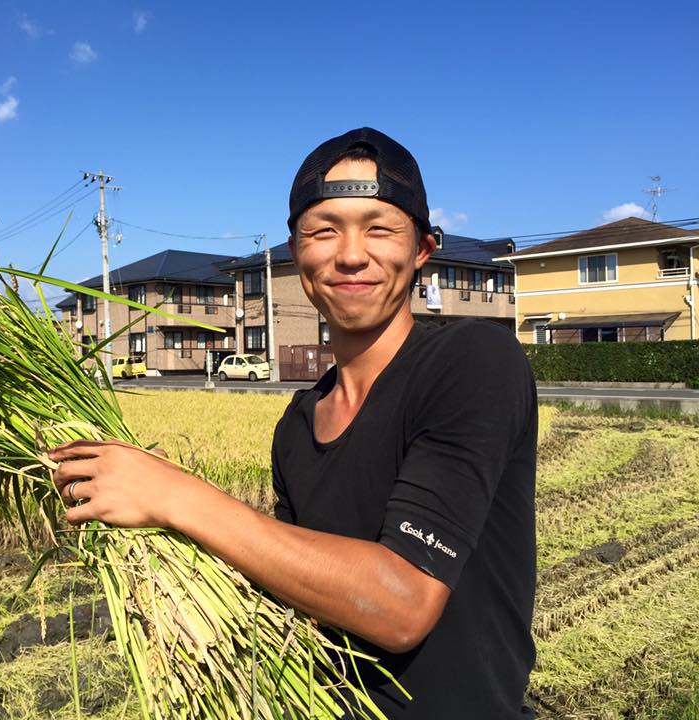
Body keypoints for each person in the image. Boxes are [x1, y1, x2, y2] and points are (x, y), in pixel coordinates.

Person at [49, 127, 538, 718]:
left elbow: (402, 605)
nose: (350, 254)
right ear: (295, 252)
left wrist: (177, 497)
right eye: (323, 230)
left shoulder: (473, 361)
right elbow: (295, 590)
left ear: (422, 251)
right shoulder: (297, 425)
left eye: (379, 229)